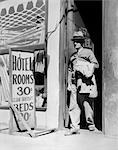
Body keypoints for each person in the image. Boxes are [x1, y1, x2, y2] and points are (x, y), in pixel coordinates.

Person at [65, 28, 99, 136]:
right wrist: (69, 83)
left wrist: (84, 67)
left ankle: (91, 125)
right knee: (73, 105)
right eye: (74, 41)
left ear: (82, 42)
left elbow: (96, 65)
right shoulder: (73, 56)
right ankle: (74, 127)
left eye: (78, 41)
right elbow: (70, 70)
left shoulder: (88, 52)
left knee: (86, 104)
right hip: (75, 83)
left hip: (85, 83)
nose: (75, 43)